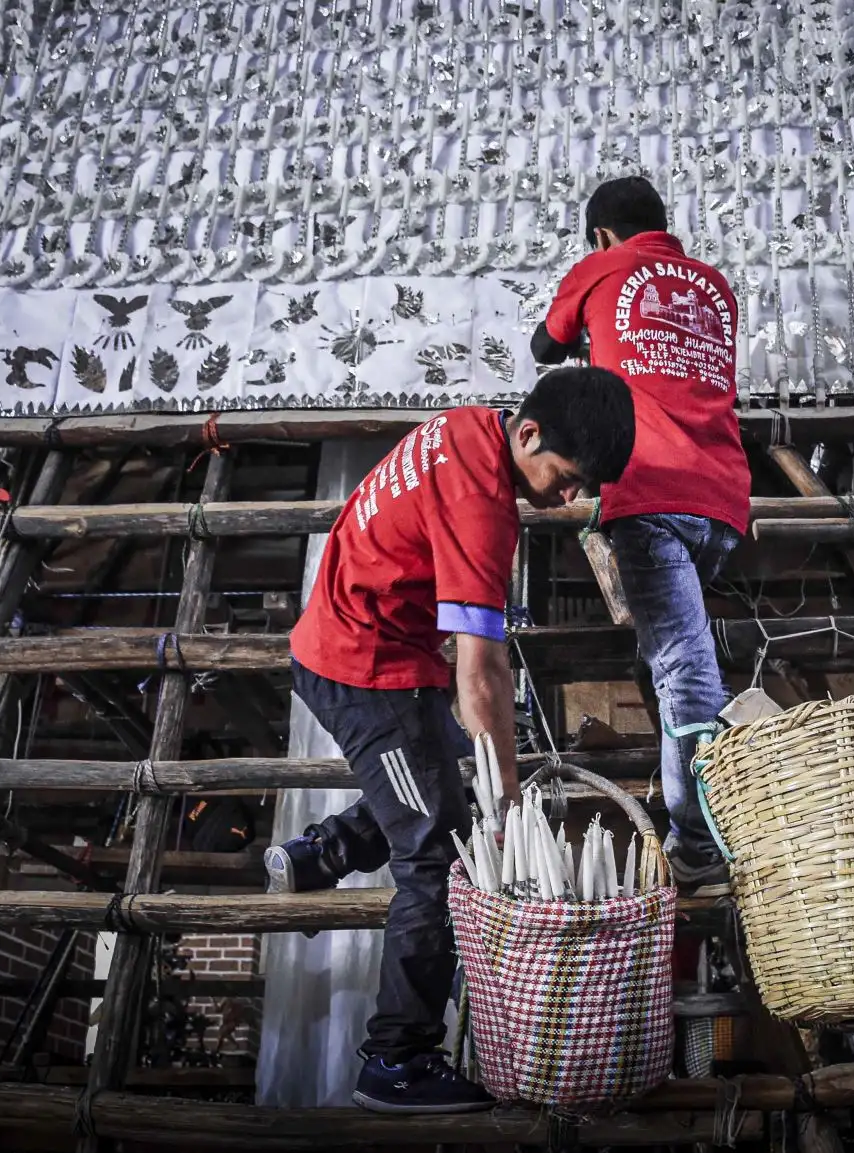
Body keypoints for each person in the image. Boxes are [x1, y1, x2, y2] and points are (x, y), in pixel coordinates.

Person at [264, 367, 636, 1114]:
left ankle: (324, 852)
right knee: (439, 847)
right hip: (364, 666)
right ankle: (396, 1059)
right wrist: (506, 816)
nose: (571, 499)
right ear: (528, 434)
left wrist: (491, 781)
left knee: (447, 784)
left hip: (375, 649)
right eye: (567, 479)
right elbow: (482, 675)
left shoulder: (470, 424)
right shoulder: (485, 505)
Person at [531, 175, 749, 896]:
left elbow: (545, 346)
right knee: (682, 659)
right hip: (722, 501)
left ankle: (697, 837)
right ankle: (703, 799)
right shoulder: (715, 287)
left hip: (649, 491)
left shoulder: (604, 267)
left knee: (684, 666)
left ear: (600, 235)